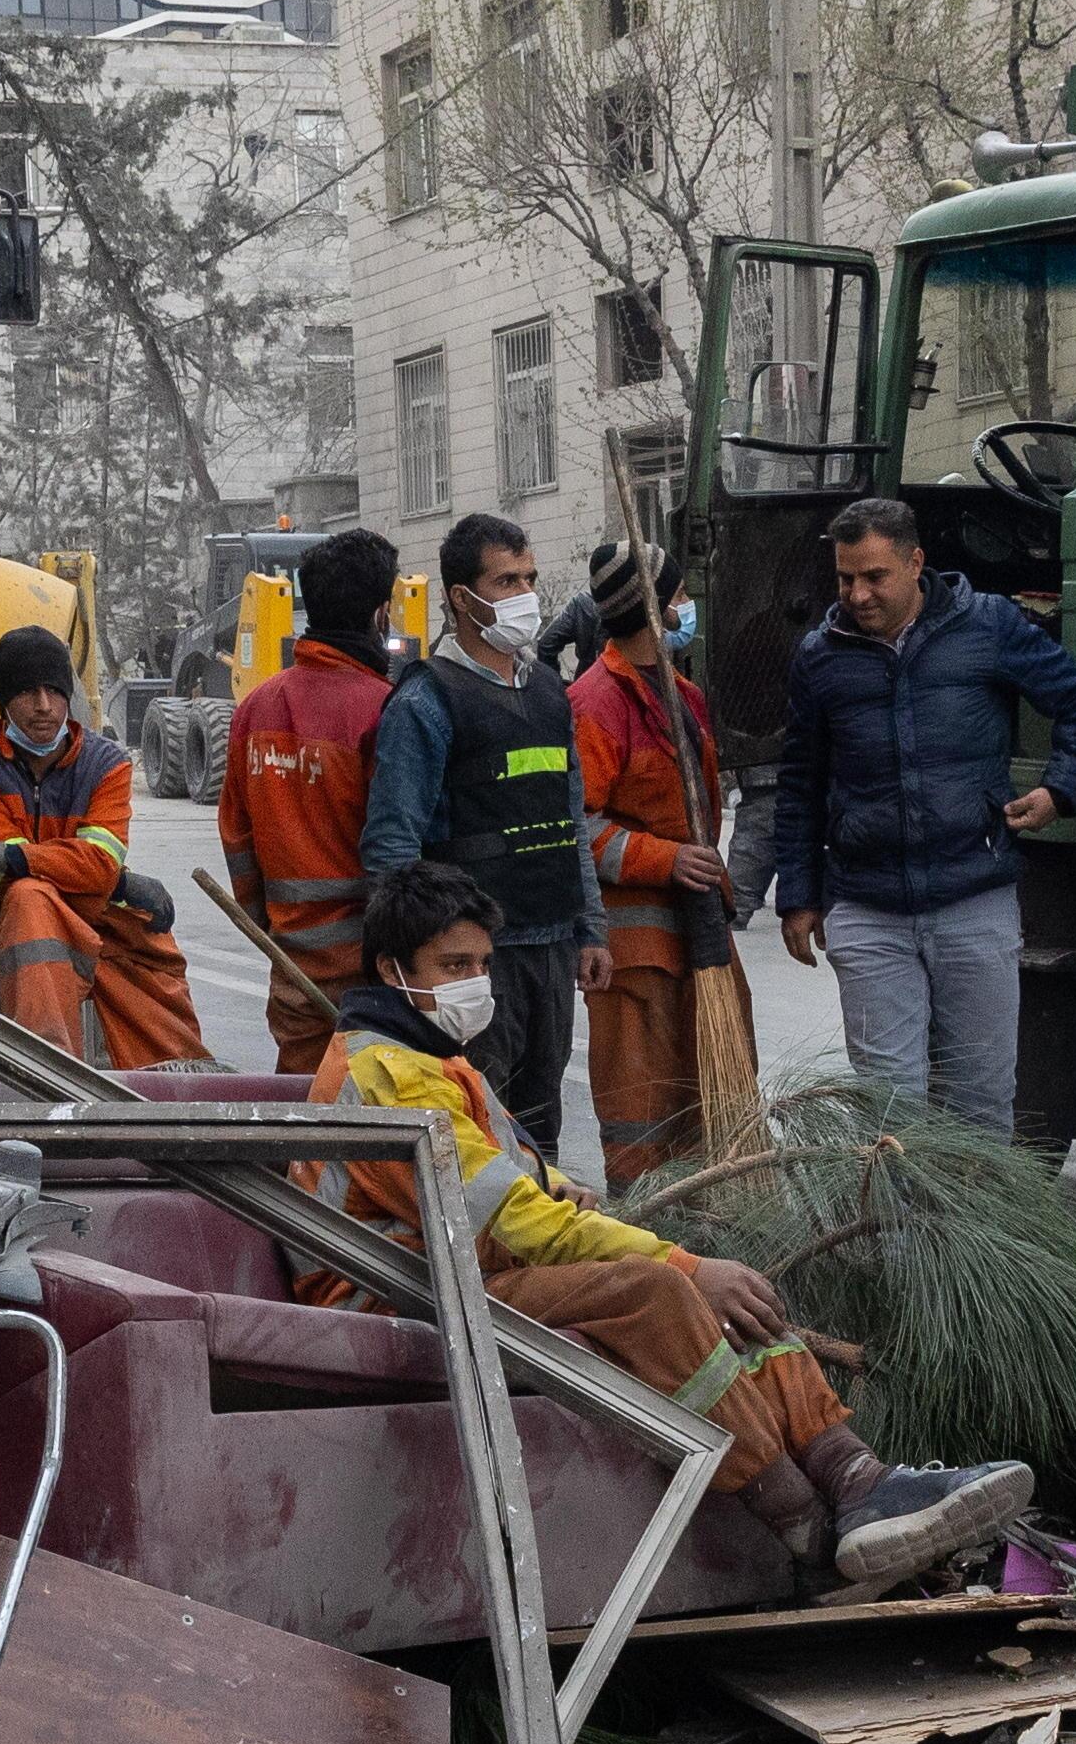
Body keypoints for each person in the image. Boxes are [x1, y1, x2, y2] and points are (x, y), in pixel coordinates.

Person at [315, 863, 1031, 1596]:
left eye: (483, 964)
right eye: (454, 966)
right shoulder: (389, 1074)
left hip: (462, 1270)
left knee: (727, 1293)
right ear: (391, 969)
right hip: (391, 1291)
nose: (477, 982)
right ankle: (806, 1530)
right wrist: (685, 1266)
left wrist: (570, 1192)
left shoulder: (430, 1058)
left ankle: (857, 1478)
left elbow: (510, 1181)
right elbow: (516, 1222)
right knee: (658, 1292)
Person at [761, 495, 1076, 1138]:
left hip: (973, 899)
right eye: (845, 578)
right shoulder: (821, 655)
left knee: (980, 1108)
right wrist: (800, 895)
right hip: (867, 910)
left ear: (915, 563)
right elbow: (801, 783)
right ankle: (899, 1241)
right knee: (890, 1118)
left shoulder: (989, 627)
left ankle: (979, 1241)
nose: (858, 595)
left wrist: (1061, 790)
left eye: (874, 577)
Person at [362, 513, 591, 1156]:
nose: (524, 595)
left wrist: (589, 928)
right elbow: (391, 846)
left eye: (530, 578)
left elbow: (569, 818)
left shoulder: (550, 691)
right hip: (477, 959)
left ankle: (546, 1251)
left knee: (541, 1128)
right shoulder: (426, 701)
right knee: (476, 1131)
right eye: (505, 581)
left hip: (549, 939)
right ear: (462, 598)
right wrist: (423, 965)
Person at [0, 627, 207, 1070]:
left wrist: (108, 880)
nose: (44, 706)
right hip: (21, 924)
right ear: (3, 699)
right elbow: (58, 868)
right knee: (29, 897)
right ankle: (48, 1076)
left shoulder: (108, 762)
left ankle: (179, 1092)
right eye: (27, 692)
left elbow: (92, 864)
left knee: (148, 940)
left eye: (54, 691)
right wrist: (102, 877)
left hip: (97, 914)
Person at [565, 544, 732, 1190]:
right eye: (680, 592)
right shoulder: (595, 704)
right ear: (656, 605)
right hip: (635, 950)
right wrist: (665, 859)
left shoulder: (682, 695)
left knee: (709, 1102)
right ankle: (643, 1229)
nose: (686, 604)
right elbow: (577, 822)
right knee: (641, 1112)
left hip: (700, 937)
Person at [216, 526, 403, 1075]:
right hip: (372, 972)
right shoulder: (383, 711)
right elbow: (400, 848)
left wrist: (275, 930)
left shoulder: (256, 708)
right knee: (370, 1121)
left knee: (302, 1117)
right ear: (380, 615)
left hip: (292, 964)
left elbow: (237, 842)